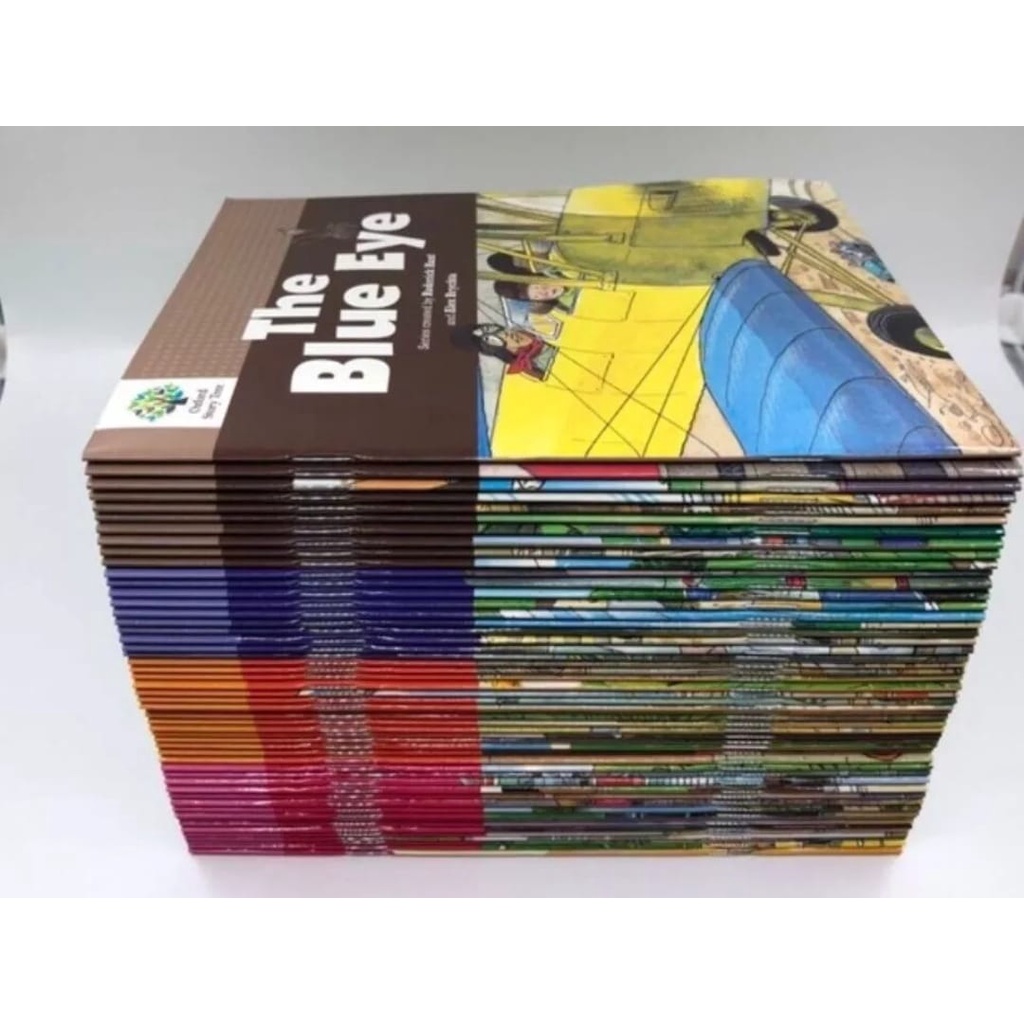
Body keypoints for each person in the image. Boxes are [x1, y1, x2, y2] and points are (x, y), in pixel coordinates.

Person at [451, 323, 555, 381]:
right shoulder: (529, 371)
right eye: (490, 340)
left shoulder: (539, 323)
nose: (505, 335)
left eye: (490, 328)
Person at [486, 253, 572, 313]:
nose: (542, 292)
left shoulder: (559, 267)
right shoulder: (568, 303)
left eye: (537, 287)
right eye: (536, 296)